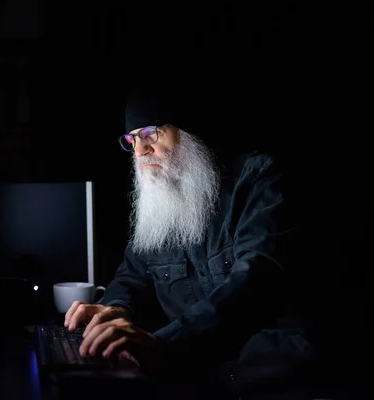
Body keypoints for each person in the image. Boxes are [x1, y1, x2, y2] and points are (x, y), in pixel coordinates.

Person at [63, 83, 321, 399]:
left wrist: (164, 345)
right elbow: (133, 275)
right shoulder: (161, 200)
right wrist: (116, 309)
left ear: (189, 132)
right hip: (199, 377)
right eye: (131, 139)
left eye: (149, 134)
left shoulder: (259, 178)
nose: (140, 151)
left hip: (280, 376)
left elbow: (258, 282)